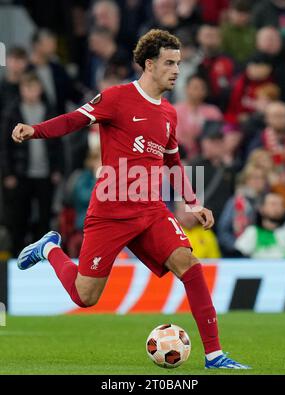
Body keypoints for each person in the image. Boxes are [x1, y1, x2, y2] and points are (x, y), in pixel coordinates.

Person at [11, 29, 249, 369]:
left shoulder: (169, 113)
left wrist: (193, 202)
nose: (176, 70)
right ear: (149, 65)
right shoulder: (116, 98)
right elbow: (73, 120)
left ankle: (214, 355)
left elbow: (172, 163)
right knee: (85, 297)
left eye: (179, 63)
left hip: (150, 209)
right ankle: (50, 249)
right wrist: (35, 130)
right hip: (110, 210)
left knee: (191, 267)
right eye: (169, 63)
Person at [0, 72, 63, 255]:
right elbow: (5, 146)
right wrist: (8, 173)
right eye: (27, 88)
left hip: (45, 173)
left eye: (34, 88)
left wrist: (57, 168)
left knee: (45, 217)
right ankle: (17, 255)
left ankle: (45, 255)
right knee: (19, 217)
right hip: (21, 174)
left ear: (40, 89)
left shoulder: (49, 110)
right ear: (21, 90)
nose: (31, 92)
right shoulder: (13, 111)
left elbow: (58, 142)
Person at [235, 192, 285, 258]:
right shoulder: (253, 231)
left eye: (281, 204)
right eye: (273, 204)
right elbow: (238, 255)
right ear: (261, 208)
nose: (278, 208)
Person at [175, 74, 223, 160]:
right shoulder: (175, 110)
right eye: (195, 87)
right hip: (182, 156)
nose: (198, 91)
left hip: (208, 157)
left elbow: (216, 135)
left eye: (202, 88)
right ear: (186, 88)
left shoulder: (213, 111)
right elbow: (176, 137)